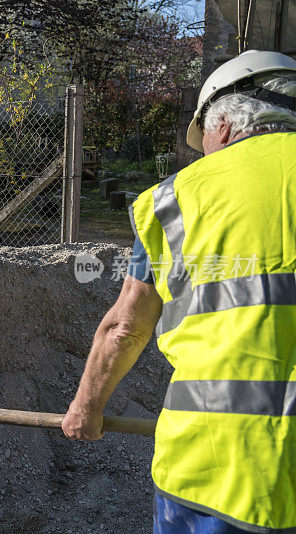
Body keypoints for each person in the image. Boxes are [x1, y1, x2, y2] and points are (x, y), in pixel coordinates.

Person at [61, 50, 296, 533]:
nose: (202, 151)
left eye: (203, 136)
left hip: (211, 472)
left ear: (226, 125)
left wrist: (86, 408)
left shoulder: (173, 201)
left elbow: (126, 326)